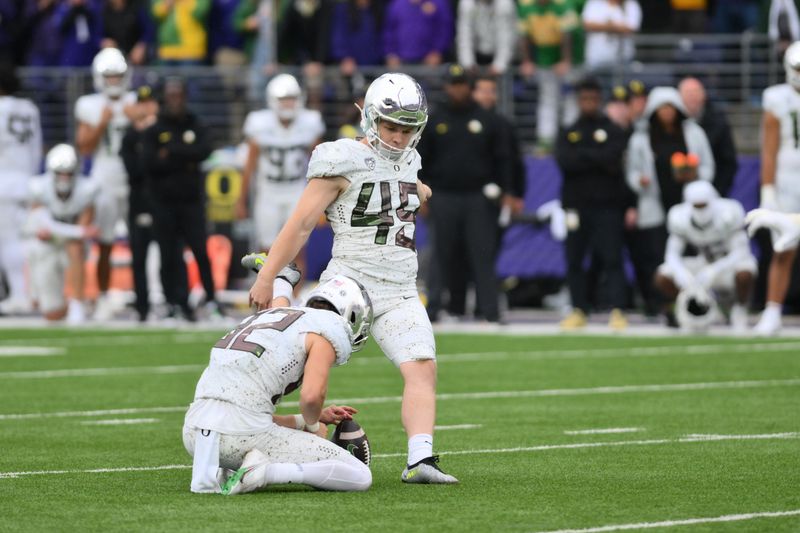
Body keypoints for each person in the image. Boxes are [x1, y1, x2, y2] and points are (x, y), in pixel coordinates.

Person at [248, 72, 458, 484]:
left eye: (407, 129)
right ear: (370, 119)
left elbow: (399, 185)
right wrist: (267, 275)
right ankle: (260, 428)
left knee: (422, 367)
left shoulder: (410, 159)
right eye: (391, 126)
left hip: (399, 288)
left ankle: (420, 460)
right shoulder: (340, 157)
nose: (398, 137)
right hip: (349, 285)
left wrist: (419, 191)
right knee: (297, 364)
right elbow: (302, 224)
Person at [183, 272, 373, 495]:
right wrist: (313, 425)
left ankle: (224, 470)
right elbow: (311, 396)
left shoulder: (271, 316)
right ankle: (266, 472)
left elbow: (244, 412)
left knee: (247, 417)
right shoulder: (326, 330)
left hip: (194, 434)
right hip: (238, 434)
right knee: (360, 476)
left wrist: (304, 421)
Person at [418, 65, 511, 324]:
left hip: (477, 197)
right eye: (453, 84)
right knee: (440, 254)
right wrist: (420, 195)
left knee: (482, 253)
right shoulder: (435, 119)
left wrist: (506, 191)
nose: (457, 89)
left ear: (469, 87)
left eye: (462, 84)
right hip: (443, 196)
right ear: (447, 87)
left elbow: (501, 159)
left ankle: (490, 310)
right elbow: (420, 160)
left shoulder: (486, 119)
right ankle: (433, 308)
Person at [625, 86, 714, 323]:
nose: (667, 113)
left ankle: (697, 302)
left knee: (693, 254)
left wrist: (693, 176)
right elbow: (632, 172)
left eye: (671, 108)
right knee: (657, 257)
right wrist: (639, 181)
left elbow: (708, 167)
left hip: (688, 206)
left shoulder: (693, 133)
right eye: (662, 108)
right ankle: (664, 305)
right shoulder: (641, 138)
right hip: (656, 205)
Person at [142, 76, 221, 322]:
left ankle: (210, 299)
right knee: (168, 254)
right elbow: (150, 162)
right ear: (164, 98)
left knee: (200, 250)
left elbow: (205, 151)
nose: (175, 100)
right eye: (171, 95)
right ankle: (174, 302)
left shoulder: (195, 123)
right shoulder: (154, 128)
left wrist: (172, 152)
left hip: (191, 201)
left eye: (179, 95)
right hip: (163, 202)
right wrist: (185, 156)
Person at [555, 77, 631, 331]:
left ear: (599, 100)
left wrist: (584, 156)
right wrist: (596, 158)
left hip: (607, 205)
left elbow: (612, 160)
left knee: (612, 258)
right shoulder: (568, 130)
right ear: (578, 101)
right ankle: (579, 309)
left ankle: (618, 309)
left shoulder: (612, 129)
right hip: (576, 206)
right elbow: (566, 162)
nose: (588, 103)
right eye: (584, 98)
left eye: (592, 99)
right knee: (575, 259)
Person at [237, 74, 325, 267]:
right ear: (272, 100)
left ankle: (293, 297)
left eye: (291, 99)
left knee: (298, 249)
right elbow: (249, 165)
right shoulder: (259, 124)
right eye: (283, 100)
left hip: (296, 191)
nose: (288, 105)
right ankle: (269, 295)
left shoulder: (310, 122)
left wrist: (320, 203)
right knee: (267, 250)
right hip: (268, 191)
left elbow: (320, 164)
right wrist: (241, 200)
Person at [75, 47, 136, 320]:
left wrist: (139, 117)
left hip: (135, 177)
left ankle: (143, 294)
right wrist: (102, 123)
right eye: (109, 76)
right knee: (106, 241)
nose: (114, 81)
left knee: (143, 240)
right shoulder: (89, 104)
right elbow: (85, 147)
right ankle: (101, 296)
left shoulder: (136, 100)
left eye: (117, 76)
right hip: (105, 177)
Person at [654, 180, 756, 332]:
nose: (701, 210)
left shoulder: (729, 213)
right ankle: (688, 307)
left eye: (704, 205)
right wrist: (681, 273)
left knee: (745, 270)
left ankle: (739, 309)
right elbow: (672, 253)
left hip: (726, 264)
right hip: (702, 264)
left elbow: (741, 252)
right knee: (663, 275)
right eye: (696, 205)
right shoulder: (679, 217)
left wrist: (714, 270)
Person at [753, 40, 800, 336]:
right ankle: (772, 310)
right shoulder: (777, 97)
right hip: (787, 180)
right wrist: (767, 191)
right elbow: (769, 150)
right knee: (783, 249)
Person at [23, 144, 99, 323]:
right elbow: (45, 227)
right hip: (46, 247)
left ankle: (78, 303)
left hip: (70, 247)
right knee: (52, 314)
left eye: (68, 172)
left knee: (75, 247)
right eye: (60, 172)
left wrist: (77, 233)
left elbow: (83, 227)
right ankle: (70, 305)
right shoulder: (38, 187)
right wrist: (78, 231)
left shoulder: (87, 189)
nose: (64, 177)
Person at [0, 63, 41, 315]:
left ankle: (18, 294)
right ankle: (21, 292)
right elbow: (36, 147)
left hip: (3, 181)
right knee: (21, 240)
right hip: (26, 180)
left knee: (8, 241)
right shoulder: (30, 109)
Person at [517, 0, 580, 151]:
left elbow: (567, 35)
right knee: (547, 100)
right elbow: (523, 36)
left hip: (572, 61)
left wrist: (565, 61)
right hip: (544, 59)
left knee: (570, 99)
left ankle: (571, 140)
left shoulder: (563, 4)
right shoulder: (526, 5)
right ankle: (546, 142)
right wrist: (527, 61)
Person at [678, 77, 738, 197]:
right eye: (688, 93)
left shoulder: (718, 121)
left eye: (695, 92)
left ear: (704, 95)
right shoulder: (670, 124)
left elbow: (728, 162)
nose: (692, 97)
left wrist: (716, 193)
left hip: (712, 190)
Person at [456, 0, 517, 76]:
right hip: (477, 54)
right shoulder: (466, 3)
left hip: (502, 55)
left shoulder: (505, 4)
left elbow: (506, 37)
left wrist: (500, 65)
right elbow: (464, 34)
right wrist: (468, 63)